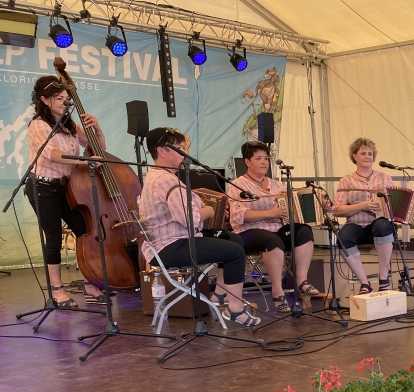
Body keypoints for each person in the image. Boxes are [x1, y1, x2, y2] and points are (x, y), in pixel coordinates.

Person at [139, 127, 260, 327]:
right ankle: (235, 310)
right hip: (169, 246)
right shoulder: (165, 180)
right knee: (235, 252)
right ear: (161, 151)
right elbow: (190, 219)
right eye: (179, 148)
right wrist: (209, 211)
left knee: (233, 239)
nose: (184, 153)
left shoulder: (159, 176)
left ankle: (220, 295)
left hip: (174, 240)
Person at [26, 75, 110, 307]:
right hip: (43, 186)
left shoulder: (69, 125)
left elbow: (99, 147)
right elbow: (52, 155)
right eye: (59, 98)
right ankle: (57, 290)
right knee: (53, 236)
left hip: (67, 187)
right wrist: (85, 162)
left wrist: (97, 129)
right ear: (44, 99)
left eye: (66, 98)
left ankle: (89, 282)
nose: (65, 102)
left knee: (84, 229)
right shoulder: (38, 125)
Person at [228, 141, 319, 313]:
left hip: (276, 229)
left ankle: (301, 281)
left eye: (266, 158)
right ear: (247, 162)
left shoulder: (276, 184)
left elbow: (289, 208)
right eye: (258, 158)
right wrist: (270, 213)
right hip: (248, 232)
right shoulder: (238, 184)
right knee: (272, 240)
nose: (264, 162)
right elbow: (239, 216)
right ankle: (277, 290)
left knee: (303, 231)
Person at [332, 138, 397, 293]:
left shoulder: (385, 178)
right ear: (354, 156)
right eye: (363, 153)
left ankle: (383, 279)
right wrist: (362, 206)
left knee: (383, 225)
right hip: (355, 225)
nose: (368, 156)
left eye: (370, 153)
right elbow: (337, 210)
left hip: (379, 225)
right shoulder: (346, 180)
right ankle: (364, 282)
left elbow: (396, 204)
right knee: (343, 237)